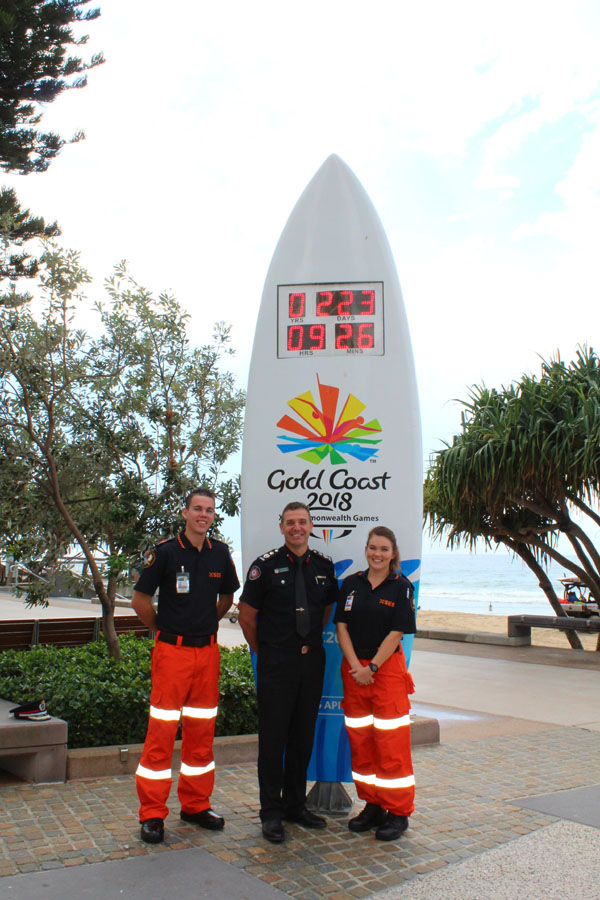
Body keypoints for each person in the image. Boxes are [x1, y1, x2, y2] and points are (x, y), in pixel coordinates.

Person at [131, 488, 240, 845]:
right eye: (197, 509)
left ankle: (195, 804)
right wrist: (162, 629)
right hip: (172, 653)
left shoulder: (221, 553)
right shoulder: (164, 552)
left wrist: (208, 620)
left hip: (207, 654)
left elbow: (227, 597)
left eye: (209, 510)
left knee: (201, 734)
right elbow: (140, 600)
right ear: (185, 512)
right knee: (161, 733)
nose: (203, 515)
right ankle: (151, 814)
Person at [238, 501, 339, 843]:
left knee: (302, 737)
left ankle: (295, 804)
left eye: (303, 522)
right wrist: (263, 649)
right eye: (290, 522)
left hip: (311, 662)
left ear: (312, 527)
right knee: (273, 740)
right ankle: (271, 812)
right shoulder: (264, 566)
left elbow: (325, 609)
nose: (297, 527)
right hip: (276, 662)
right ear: (281, 527)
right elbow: (247, 615)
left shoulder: (324, 566)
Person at [334, 525, 416, 841]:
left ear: (393, 553)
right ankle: (372, 804)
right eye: (372, 547)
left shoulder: (401, 587)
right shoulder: (352, 584)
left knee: (391, 744)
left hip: (386, 671)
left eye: (383, 549)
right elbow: (341, 626)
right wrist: (357, 666)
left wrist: (374, 667)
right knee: (362, 742)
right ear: (365, 550)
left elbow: (397, 632)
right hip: (355, 671)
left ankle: (397, 811)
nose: (377, 554)